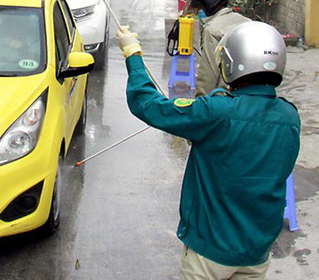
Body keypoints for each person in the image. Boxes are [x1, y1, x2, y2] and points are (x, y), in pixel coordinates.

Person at [116, 21, 300, 279]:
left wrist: (133, 55)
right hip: (257, 252)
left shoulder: (216, 112)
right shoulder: (290, 117)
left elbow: (148, 104)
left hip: (209, 253)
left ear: (232, 63)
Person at [187, 0, 250, 96]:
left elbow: (208, 74)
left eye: (200, 8)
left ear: (207, 6)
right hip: (253, 96)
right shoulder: (248, 22)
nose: (198, 13)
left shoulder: (212, 30)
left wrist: (201, 103)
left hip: (227, 99)